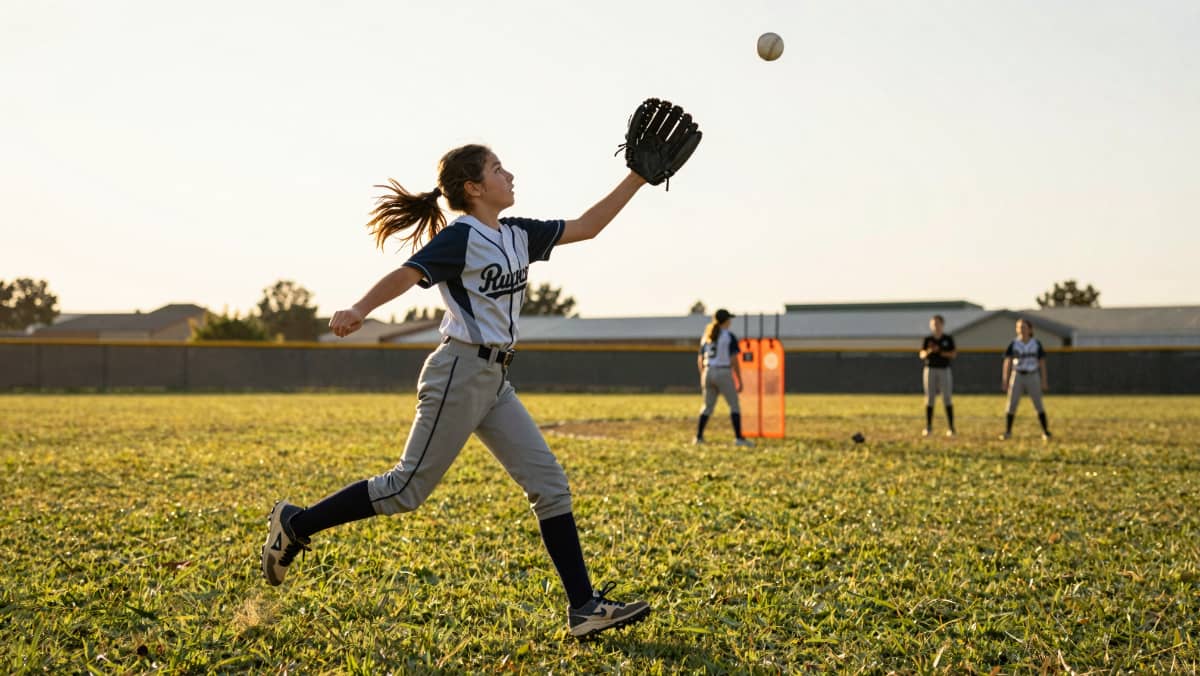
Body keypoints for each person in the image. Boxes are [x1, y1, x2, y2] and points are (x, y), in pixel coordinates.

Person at [260, 143, 658, 639]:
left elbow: (588, 226)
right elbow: (407, 273)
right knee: (405, 489)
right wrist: (361, 308)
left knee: (550, 486)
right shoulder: (463, 238)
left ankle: (583, 607)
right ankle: (297, 524)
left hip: (494, 380)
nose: (509, 174)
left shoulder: (517, 234)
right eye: (496, 169)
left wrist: (637, 177)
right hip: (458, 371)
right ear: (473, 189)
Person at [694, 309, 754, 447]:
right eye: (729, 319)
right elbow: (734, 360)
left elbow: (700, 359)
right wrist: (739, 378)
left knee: (707, 406)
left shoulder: (706, 336)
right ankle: (739, 438)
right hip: (723, 371)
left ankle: (698, 437)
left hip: (708, 371)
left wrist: (703, 375)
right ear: (725, 321)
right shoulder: (728, 336)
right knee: (734, 405)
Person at [1000, 318, 1053, 440]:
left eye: (1024, 327)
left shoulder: (1036, 343)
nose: (1021, 330)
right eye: (1019, 327)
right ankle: (1008, 432)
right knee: (1012, 404)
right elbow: (1007, 362)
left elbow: (1042, 362)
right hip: (1017, 374)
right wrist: (1005, 380)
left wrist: (1044, 380)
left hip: (1032, 375)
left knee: (1038, 404)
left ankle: (1045, 431)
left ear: (1030, 329)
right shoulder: (1014, 343)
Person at [918, 314, 957, 437]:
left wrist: (940, 351)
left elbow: (953, 354)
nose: (935, 326)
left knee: (947, 398)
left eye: (938, 323)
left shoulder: (947, 338)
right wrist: (930, 351)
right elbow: (922, 355)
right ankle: (928, 427)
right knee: (929, 398)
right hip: (930, 369)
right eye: (933, 323)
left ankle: (951, 428)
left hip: (944, 369)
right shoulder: (928, 339)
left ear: (942, 324)